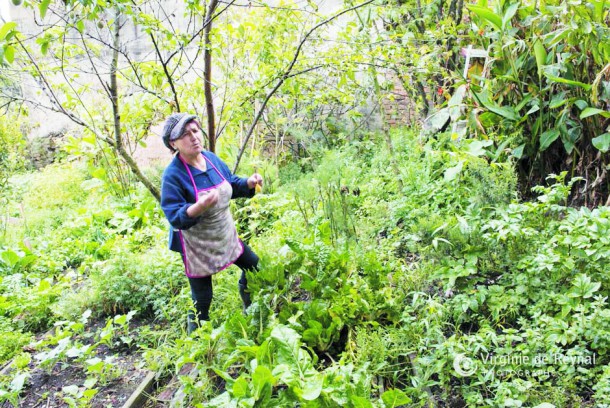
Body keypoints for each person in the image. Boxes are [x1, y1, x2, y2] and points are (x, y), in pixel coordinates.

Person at [160, 113, 263, 333]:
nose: (194, 137)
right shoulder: (173, 175)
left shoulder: (210, 159)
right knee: (202, 299)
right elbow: (174, 216)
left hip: (224, 234)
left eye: (195, 131)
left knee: (254, 267)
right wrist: (198, 207)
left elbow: (230, 183)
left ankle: (250, 308)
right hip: (197, 245)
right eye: (186, 135)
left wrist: (248, 182)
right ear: (173, 143)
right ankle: (196, 346)